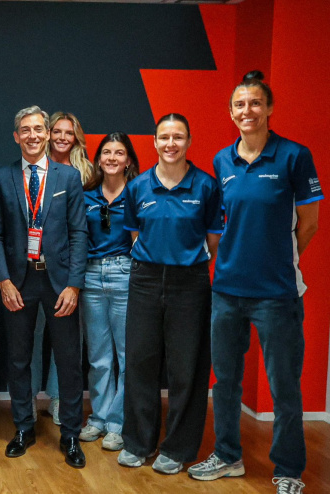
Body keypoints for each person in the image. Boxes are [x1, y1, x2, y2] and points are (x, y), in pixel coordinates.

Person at [188, 71, 322, 494]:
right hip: (227, 290)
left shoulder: (294, 156)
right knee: (225, 383)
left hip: (277, 295)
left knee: (284, 388)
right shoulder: (222, 161)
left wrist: (280, 258)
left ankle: (289, 471)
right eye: (240, 105)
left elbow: (310, 223)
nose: (247, 111)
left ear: (269, 108)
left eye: (255, 103)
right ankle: (228, 456)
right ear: (231, 113)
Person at [117, 114, 222, 475]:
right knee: (140, 363)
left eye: (178, 137)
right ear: (155, 142)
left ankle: (177, 448)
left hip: (189, 283)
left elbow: (212, 240)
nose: (171, 144)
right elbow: (135, 235)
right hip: (145, 279)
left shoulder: (206, 186)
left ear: (189, 141)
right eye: (164, 137)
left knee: (186, 368)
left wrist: (184, 262)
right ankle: (138, 442)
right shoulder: (138, 187)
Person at [0, 105, 87, 469]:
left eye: (38, 129)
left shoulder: (68, 177)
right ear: (16, 136)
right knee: (18, 359)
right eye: (25, 130)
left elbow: (79, 234)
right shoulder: (3, 177)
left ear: (47, 134)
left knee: (68, 361)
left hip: (59, 283)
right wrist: (3, 281)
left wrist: (74, 285)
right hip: (19, 281)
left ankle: (71, 435)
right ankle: (23, 428)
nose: (32, 135)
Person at [76, 133, 139, 452]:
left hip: (125, 273)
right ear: (98, 159)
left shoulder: (138, 193)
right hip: (90, 276)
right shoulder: (86, 195)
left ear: (128, 161)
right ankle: (99, 417)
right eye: (106, 152)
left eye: (119, 153)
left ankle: (118, 423)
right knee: (99, 356)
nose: (112, 158)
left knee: (126, 355)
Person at [37, 111, 92, 426]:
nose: (61, 137)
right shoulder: (36, 168)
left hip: (72, 268)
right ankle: (28, 399)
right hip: (37, 266)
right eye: (56, 131)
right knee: (32, 337)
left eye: (68, 133)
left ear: (76, 138)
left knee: (68, 341)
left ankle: (59, 399)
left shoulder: (88, 174)